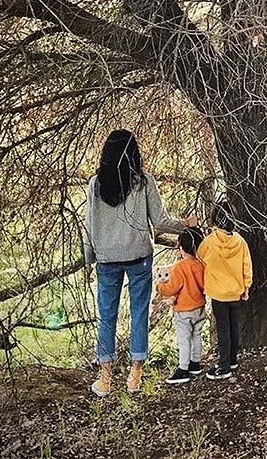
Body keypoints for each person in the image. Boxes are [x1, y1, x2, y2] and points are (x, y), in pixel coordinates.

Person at [83, 129, 196, 398]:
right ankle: (135, 375)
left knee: (107, 316)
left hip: (107, 258)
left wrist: (88, 260)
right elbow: (159, 222)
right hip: (138, 256)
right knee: (139, 313)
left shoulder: (95, 184)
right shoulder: (143, 181)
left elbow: (89, 226)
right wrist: (186, 225)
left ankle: (105, 377)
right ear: (133, 153)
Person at [197, 203, 252, 380]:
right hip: (236, 291)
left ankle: (224, 365)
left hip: (218, 294)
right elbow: (247, 266)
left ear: (214, 221)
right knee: (234, 326)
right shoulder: (240, 241)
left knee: (223, 328)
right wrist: (246, 287)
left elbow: (199, 256)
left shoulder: (210, 241)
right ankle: (233, 359)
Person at [156, 227, 206, 385]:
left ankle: (183, 369)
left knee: (184, 339)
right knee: (196, 336)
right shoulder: (201, 265)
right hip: (200, 308)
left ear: (181, 248)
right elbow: (205, 285)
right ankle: (195, 364)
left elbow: (172, 288)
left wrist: (159, 287)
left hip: (184, 311)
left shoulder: (179, 267)